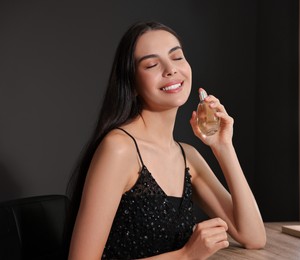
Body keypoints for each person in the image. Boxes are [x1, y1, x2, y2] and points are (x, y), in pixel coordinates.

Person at [66, 20, 266, 260]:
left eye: (178, 57)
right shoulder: (119, 149)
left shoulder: (187, 156)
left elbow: (254, 237)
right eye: (151, 64)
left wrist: (224, 148)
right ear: (132, 83)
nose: (171, 69)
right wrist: (187, 255)